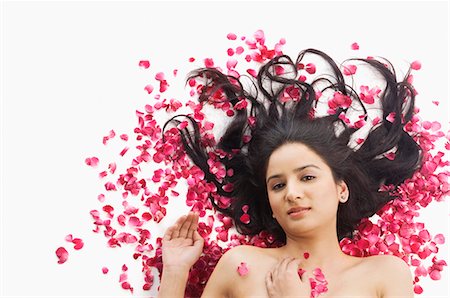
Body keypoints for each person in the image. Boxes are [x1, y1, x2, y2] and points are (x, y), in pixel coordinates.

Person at [158, 49, 422, 297]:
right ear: (271, 205)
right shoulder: (239, 265)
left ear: (341, 189)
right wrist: (175, 271)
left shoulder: (385, 274)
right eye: (278, 186)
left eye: (307, 177)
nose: (292, 193)